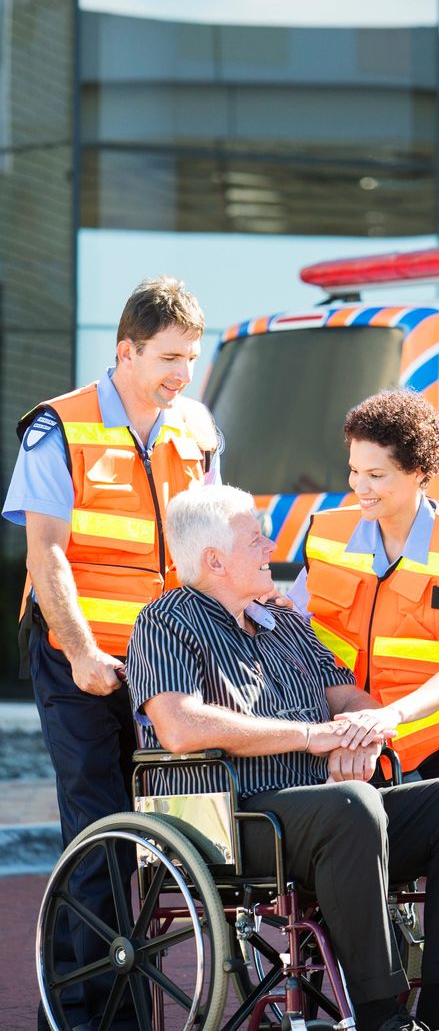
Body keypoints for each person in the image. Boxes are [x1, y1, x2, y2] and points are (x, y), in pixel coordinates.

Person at [126, 483, 439, 1031]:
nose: (271, 547)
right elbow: (178, 725)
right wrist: (311, 737)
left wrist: (362, 734)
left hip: (327, 812)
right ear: (214, 560)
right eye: (255, 540)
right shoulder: (164, 620)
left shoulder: (283, 621)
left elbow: (345, 695)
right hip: (235, 816)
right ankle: (382, 1014)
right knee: (352, 806)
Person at [2, 276, 221, 1031]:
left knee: (169, 843)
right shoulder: (57, 427)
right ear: (124, 350)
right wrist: (85, 650)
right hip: (80, 661)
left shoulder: (194, 428)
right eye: (168, 357)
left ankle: (89, 1011)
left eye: (191, 358)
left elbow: (210, 549)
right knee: (99, 839)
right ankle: (95, 1017)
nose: (182, 375)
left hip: (165, 665)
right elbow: (46, 554)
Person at [287, 387, 439, 1013]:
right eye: (354, 471)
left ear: (418, 472)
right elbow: (295, 638)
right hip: (347, 731)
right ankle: (347, 1005)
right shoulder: (324, 534)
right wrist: (344, 728)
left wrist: (388, 718)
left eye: (377, 475)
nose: (360, 488)